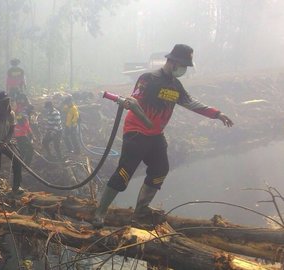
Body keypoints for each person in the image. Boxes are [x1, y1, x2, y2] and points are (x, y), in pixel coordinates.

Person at [92, 44, 234, 228]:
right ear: (173, 62)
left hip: (156, 135)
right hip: (136, 132)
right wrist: (130, 104)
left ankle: (141, 210)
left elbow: (191, 103)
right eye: (183, 66)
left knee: (160, 170)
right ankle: (100, 212)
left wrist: (217, 114)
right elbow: (135, 99)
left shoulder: (176, 86)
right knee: (124, 173)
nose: (184, 70)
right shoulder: (148, 79)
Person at [14, 93, 34, 165]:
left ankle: (22, 164)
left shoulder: (22, 109)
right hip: (21, 133)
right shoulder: (19, 110)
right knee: (29, 150)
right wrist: (30, 133)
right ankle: (24, 165)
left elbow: (26, 123)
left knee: (23, 150)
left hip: (21, 133)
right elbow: (22, 122)